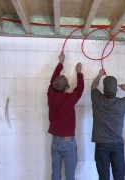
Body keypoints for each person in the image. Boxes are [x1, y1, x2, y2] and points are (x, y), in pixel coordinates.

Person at [91, 69, 125, 180]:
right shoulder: (122, 103)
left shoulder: (97, 99)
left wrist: (99, 75)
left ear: (103, 89)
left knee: (103, 177)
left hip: (101, 146)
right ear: (116, 90)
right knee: (119, 177)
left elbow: (93, 86)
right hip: (117, 145)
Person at [47, 52, 84, 180]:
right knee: (70, 175)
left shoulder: (50, 95)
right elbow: (80, 88)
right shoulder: (70, 99)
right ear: (67, 88)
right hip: (68, 141)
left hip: (55, 140)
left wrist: (61, 63)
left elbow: (53, 80)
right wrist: (79, 72)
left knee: (55, 174)